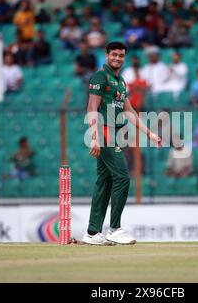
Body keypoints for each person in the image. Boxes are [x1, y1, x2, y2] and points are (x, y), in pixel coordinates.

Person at [84, 41, 161, 246]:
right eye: (114, 55)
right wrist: (94, 137)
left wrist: (149, 133)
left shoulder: (121, 81)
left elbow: (129, 111)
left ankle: (92, 233)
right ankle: (115, 229)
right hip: (105, 132)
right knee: (123, 178)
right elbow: (92, 107)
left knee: (105, 182)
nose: (118, 58)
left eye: (121, 55)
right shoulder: (100, 77)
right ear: (107, 55)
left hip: (114, 134)